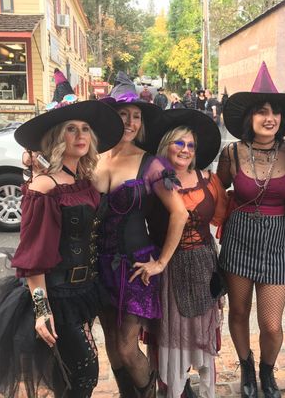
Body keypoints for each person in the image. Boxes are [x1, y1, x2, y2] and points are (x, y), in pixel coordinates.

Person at [0, 100, 124, 397]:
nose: (80, 135)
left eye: (85, 129)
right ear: (57, 137)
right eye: (70, 129)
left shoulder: (82, 181)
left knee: (69, 373)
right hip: (58, 296)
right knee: (86, 372)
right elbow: (34, 258)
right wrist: (41, 309)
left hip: (86, 290)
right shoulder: (44, 188)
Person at [217, 62, 285, 398]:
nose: (270, 118)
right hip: (239, 237)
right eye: (262, 112)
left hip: (277, 241)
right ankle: (246, 366)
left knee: (271, 324)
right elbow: (214, 192)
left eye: (275, 112)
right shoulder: (232, 152)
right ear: (249, 118)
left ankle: (267, 371)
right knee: (239, 312)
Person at [97, 76, 188, 397]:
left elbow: (180, 212)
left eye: (136, 115)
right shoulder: (92, 158)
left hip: (136, 268)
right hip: (99, 267)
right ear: (110, 117)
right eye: (123, 115)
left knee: (126, 346)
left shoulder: (151, 165)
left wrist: (161, 262)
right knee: (110, 339)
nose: (130, 122)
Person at [147, 109, 226, 398]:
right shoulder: (153, 177)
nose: (185, 149)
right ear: (166, 144)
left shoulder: (208, 179)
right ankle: (173, 388)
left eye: (191, 145)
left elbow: (222, 219)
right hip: (168, 264)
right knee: (172, 329)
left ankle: (195, 385)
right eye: (179, 142)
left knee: (199, 329)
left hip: (204, 262)